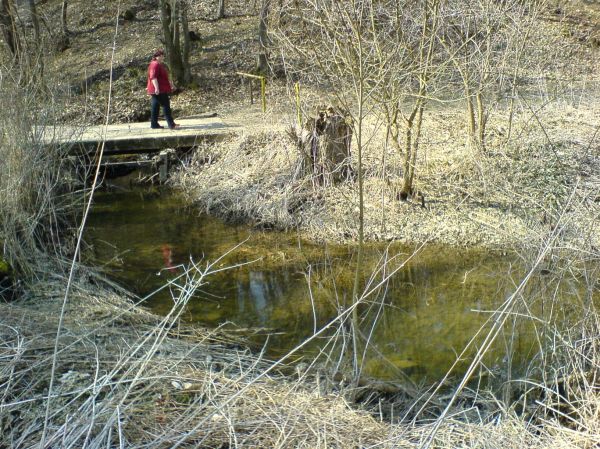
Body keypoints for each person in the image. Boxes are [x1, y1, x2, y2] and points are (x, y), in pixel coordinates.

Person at [147, 49, 179, 129]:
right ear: (156, 57)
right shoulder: (155, 65)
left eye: (162, 55)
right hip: (159, 90)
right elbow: (153, 77)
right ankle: (171, 124)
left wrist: (172, 85)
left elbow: (165, 77)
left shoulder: (159, 65)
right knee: (166, 105)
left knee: (155, 106)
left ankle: (154, 124)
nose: (162, 57)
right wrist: (156, 88)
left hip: (160, 89)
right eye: (160, 56)